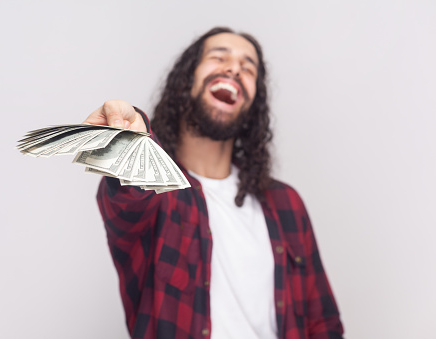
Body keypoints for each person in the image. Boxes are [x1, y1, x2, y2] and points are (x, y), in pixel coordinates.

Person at [83, 27, 344, 339]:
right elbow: (128, 197)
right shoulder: (159, 195)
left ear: (253, 103)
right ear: (186, 81)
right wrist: (133, 143)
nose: (234, 68)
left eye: (248, 68)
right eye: (219, 57)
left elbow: (323, 324)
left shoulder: (286, 203)